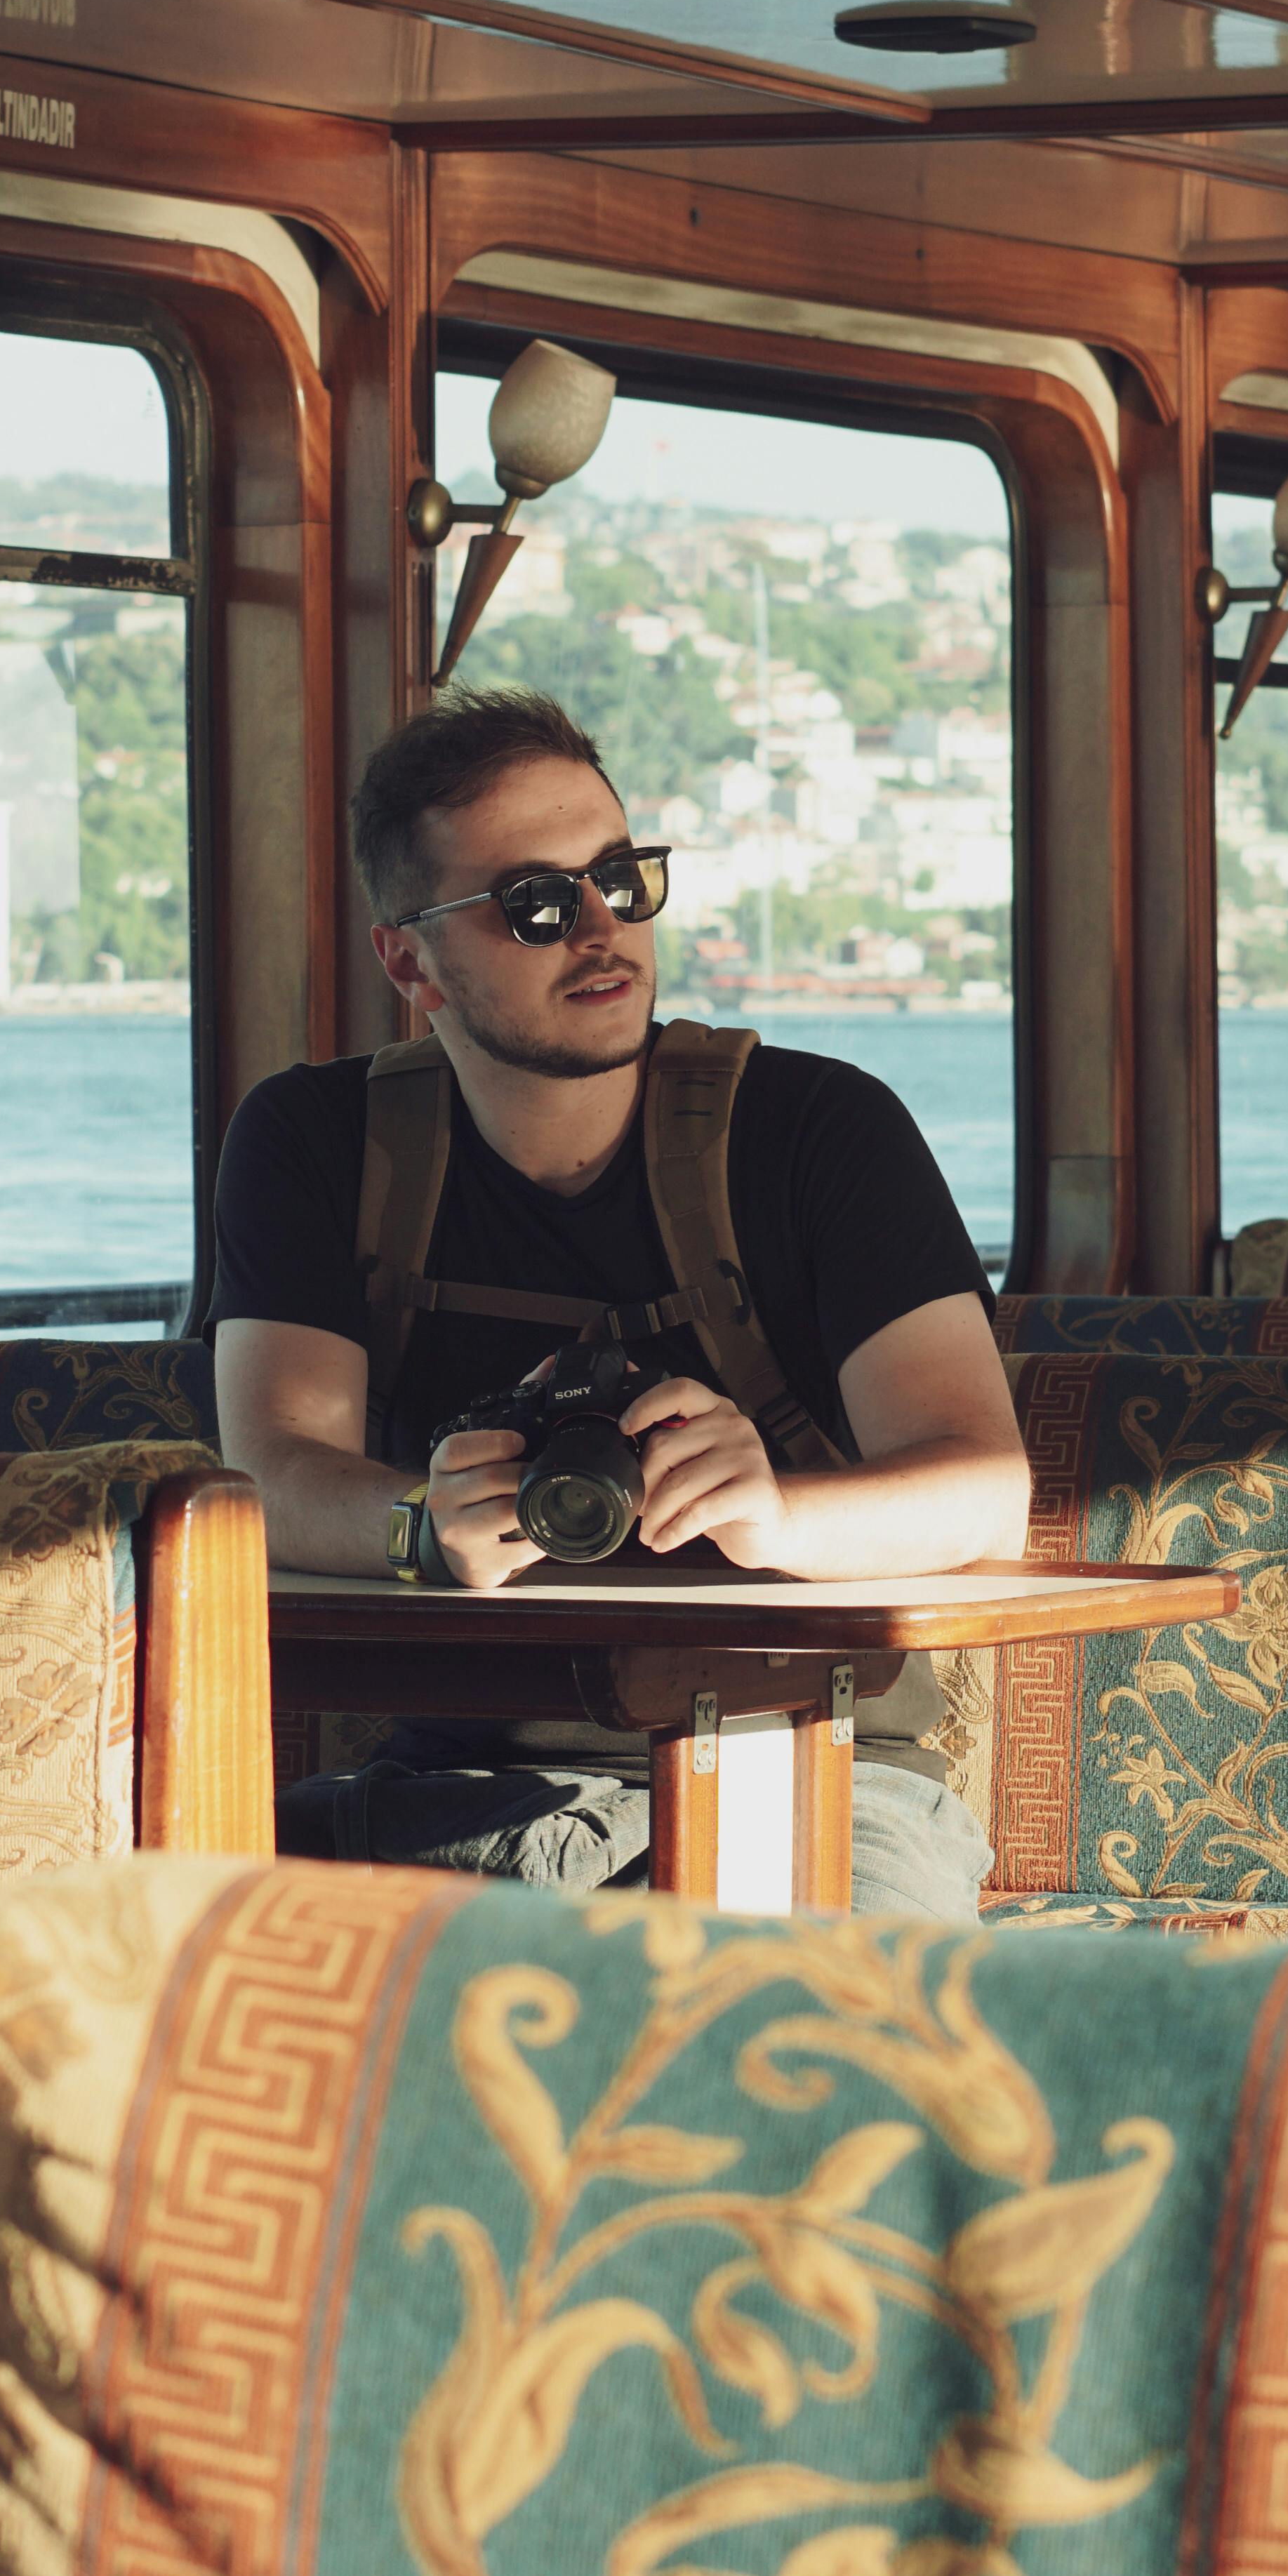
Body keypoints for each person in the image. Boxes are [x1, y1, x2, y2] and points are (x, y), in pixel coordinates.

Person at [210, 686, 1031, 1915]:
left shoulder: (817, 1129)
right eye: (536, 906)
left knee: (832, 2040)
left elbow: (986, 1489)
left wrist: (776, 1517)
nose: (600, 929)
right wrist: (420, 1525)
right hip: (455, 1786)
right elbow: (269, 1470)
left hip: (816, 1766)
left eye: (621, 879)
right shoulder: (319, 1144)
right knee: (119, 1978)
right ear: (409, 959)